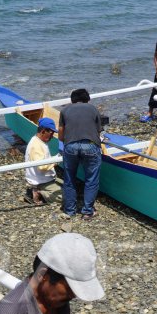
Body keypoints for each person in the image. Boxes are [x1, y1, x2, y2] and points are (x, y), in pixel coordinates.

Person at [58, 88, 103, 220]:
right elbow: (98, 131)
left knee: (69, 178)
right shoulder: (93, 109)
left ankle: (70, 211)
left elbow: (61, 134)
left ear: (72, 100)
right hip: (89, 145)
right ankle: (87, 212)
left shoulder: (64, 110)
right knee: (91, 179)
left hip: (71, 145)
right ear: (87, 99)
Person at [23, 117, 61, 205]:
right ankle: (37, 194)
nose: (52, 136)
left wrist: (57, 156)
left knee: (68, 187)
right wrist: (56, 161)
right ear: (43, 131)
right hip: (40, 181)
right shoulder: (36, 146)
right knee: (66, 197)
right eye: (51, 133)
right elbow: (42, 166)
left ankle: (38, 191)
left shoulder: (39, 141)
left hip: (43, 178)